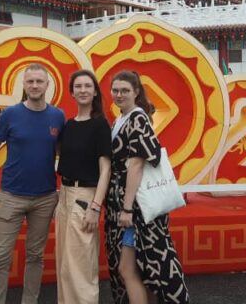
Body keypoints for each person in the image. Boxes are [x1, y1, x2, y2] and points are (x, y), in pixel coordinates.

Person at [0, 63, 65, 304]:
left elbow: (63, 153)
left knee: (36, 256)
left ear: (48, 85)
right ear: (24, 85)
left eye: (39, 81)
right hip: (11, 196)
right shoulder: (11, 114)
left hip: (45, 198)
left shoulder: (57, 116)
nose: (35, 85)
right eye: (31, 81)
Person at [105, 71, 189, 303]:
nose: (119, 94)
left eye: (125, 90)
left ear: (136, 92)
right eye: (115, 90)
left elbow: (136, 165)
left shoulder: (137, 118)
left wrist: (127, 208)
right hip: (126, 205)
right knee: (144, 269)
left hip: (136, 210)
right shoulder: (121, 118)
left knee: (127, 269)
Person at [55, 70, 112, 304]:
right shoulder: (68, 125)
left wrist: (95, 206)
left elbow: (105, 169)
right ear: (71, 92)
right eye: (78, 86)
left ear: (95, 91)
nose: (83, 90)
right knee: (65, 265)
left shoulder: (100, 125)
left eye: (88, 86)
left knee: (82, 267)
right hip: (65, 194)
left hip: (86, 197)